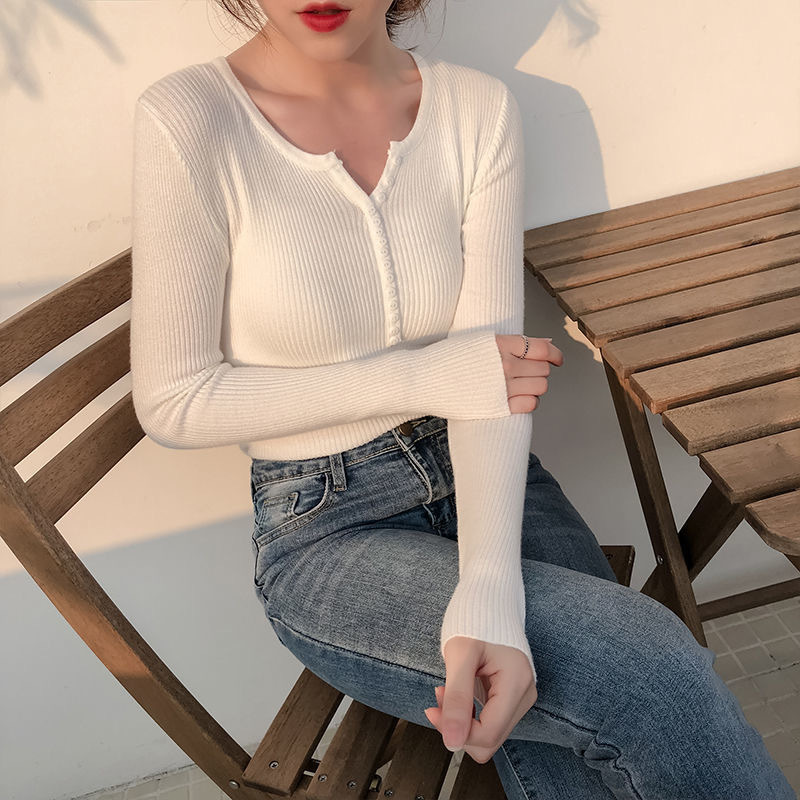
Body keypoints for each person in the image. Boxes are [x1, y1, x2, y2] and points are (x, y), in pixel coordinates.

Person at [129, 1, 795, 797]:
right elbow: (175, 400)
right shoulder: (192, 118)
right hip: (327, 527)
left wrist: (488, 591)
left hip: (491, 472)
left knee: (573, 702)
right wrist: (424, 377)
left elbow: (490, 384)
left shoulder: (475, 110)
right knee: (650, 670)